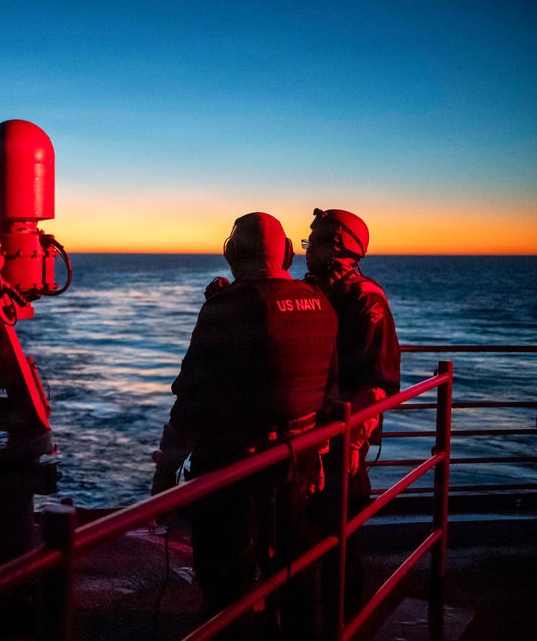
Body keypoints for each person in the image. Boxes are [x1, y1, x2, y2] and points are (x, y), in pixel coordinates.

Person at [152, 212, 338, 640]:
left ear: (232, 252)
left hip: (233, 471)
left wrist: (165, 470)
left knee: (226, 584)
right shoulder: (319, 302)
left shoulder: (226, 307)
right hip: (300, 465)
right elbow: (329, 392)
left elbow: (192, 399)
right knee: (297, 576)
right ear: (287, 253)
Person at [303, 208, 401, 615]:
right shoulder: (312, 292)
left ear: (338, 246)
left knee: (339, 540)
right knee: (303, 539)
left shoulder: (365, 301)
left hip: (340, 443)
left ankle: (343, 621)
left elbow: (374, 384)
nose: (307, 249)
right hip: (307, 437)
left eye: (314, 241)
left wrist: (353, 445)